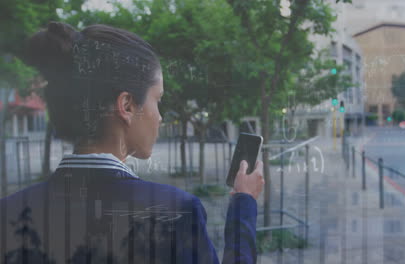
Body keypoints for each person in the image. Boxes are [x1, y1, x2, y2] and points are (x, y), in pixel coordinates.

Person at [0, 21, 264, 264]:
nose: (159, 116)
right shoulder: (174, 211)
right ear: (126, 106)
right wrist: (244, 204)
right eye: (157, 99)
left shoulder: (9, 212)